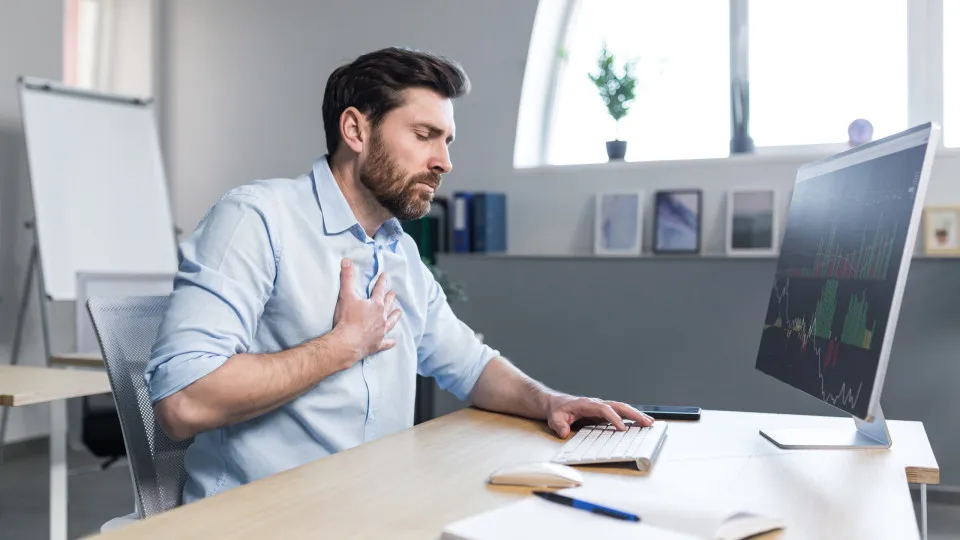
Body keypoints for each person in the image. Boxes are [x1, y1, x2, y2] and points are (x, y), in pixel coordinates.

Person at [147, 46, 654, 503]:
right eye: (424, 135)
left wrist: (552, 401)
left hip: (373, 506)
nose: (445, 162)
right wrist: (342, 346)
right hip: (257, 519)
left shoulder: (398, 252)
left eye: (447, 140)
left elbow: (469, 366)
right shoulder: (257, 218)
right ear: (356, 130)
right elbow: (184, 401)